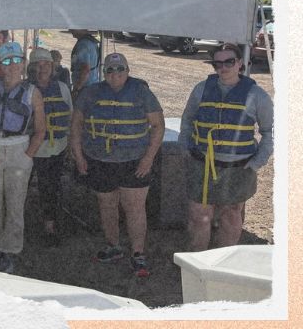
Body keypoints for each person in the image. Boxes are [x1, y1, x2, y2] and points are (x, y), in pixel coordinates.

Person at [70, 52, 164, 277]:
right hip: (100, 161)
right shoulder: (91, 93)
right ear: (104, 73)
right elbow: (76, 125)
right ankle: (113, 246)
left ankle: (138, 253)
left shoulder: (142, 92)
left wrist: (148, 159)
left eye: (120, 69)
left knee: (134, 208)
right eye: (110, 70)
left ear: (127, 71)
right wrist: (79, 156)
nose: (115, 75)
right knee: (107, 205)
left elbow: (158, 126)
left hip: (134, 162)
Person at [179, 43, 273, 251]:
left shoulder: (256, 95)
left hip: (238, 167)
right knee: (199, 216)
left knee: (231, 215)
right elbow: (187, 119)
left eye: (229, 62)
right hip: (202, 164)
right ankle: (197, 263)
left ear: (239, 63)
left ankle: (223, 263)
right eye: (218, 63)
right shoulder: (201, 89)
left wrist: (257, 163)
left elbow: (269, 131)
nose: (223, 67)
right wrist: (184, 146)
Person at [0, 40, 45, 273]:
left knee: (15, 204)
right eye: (6, 61)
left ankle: (10, 251)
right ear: (0, 65)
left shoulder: (33, 93)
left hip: (19, 150)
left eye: (16, 60)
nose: (12, 66)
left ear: (23, 63)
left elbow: (41, 128)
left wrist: (28, 155)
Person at [27, 46, 72, 245]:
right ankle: (20, 224)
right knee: (22, 187)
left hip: (57, 147)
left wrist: (71, 146)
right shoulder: (24, 89)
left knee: (51, 187)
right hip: (30, 148)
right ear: (31, 68)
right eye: (38, 64)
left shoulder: (62, 88)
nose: (42, 68)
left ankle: (51, 226)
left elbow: (70, 116)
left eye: (46, 64)